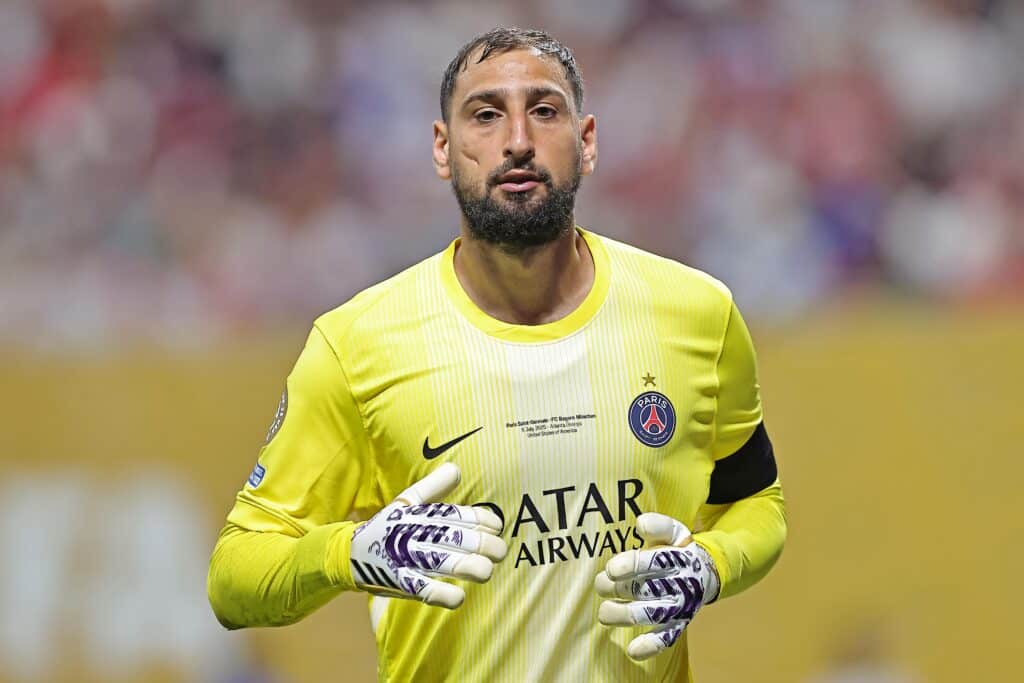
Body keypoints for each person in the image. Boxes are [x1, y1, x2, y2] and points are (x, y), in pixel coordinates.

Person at [207, 26, 787, 682]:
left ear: (587, 141)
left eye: (544, 111)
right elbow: (234, 578)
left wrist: (711, 567)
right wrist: (348, 554)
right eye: (485, 115)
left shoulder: (696, 314)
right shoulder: (356, 345)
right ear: (443, 148)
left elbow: (756, 503)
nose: (517, 140)